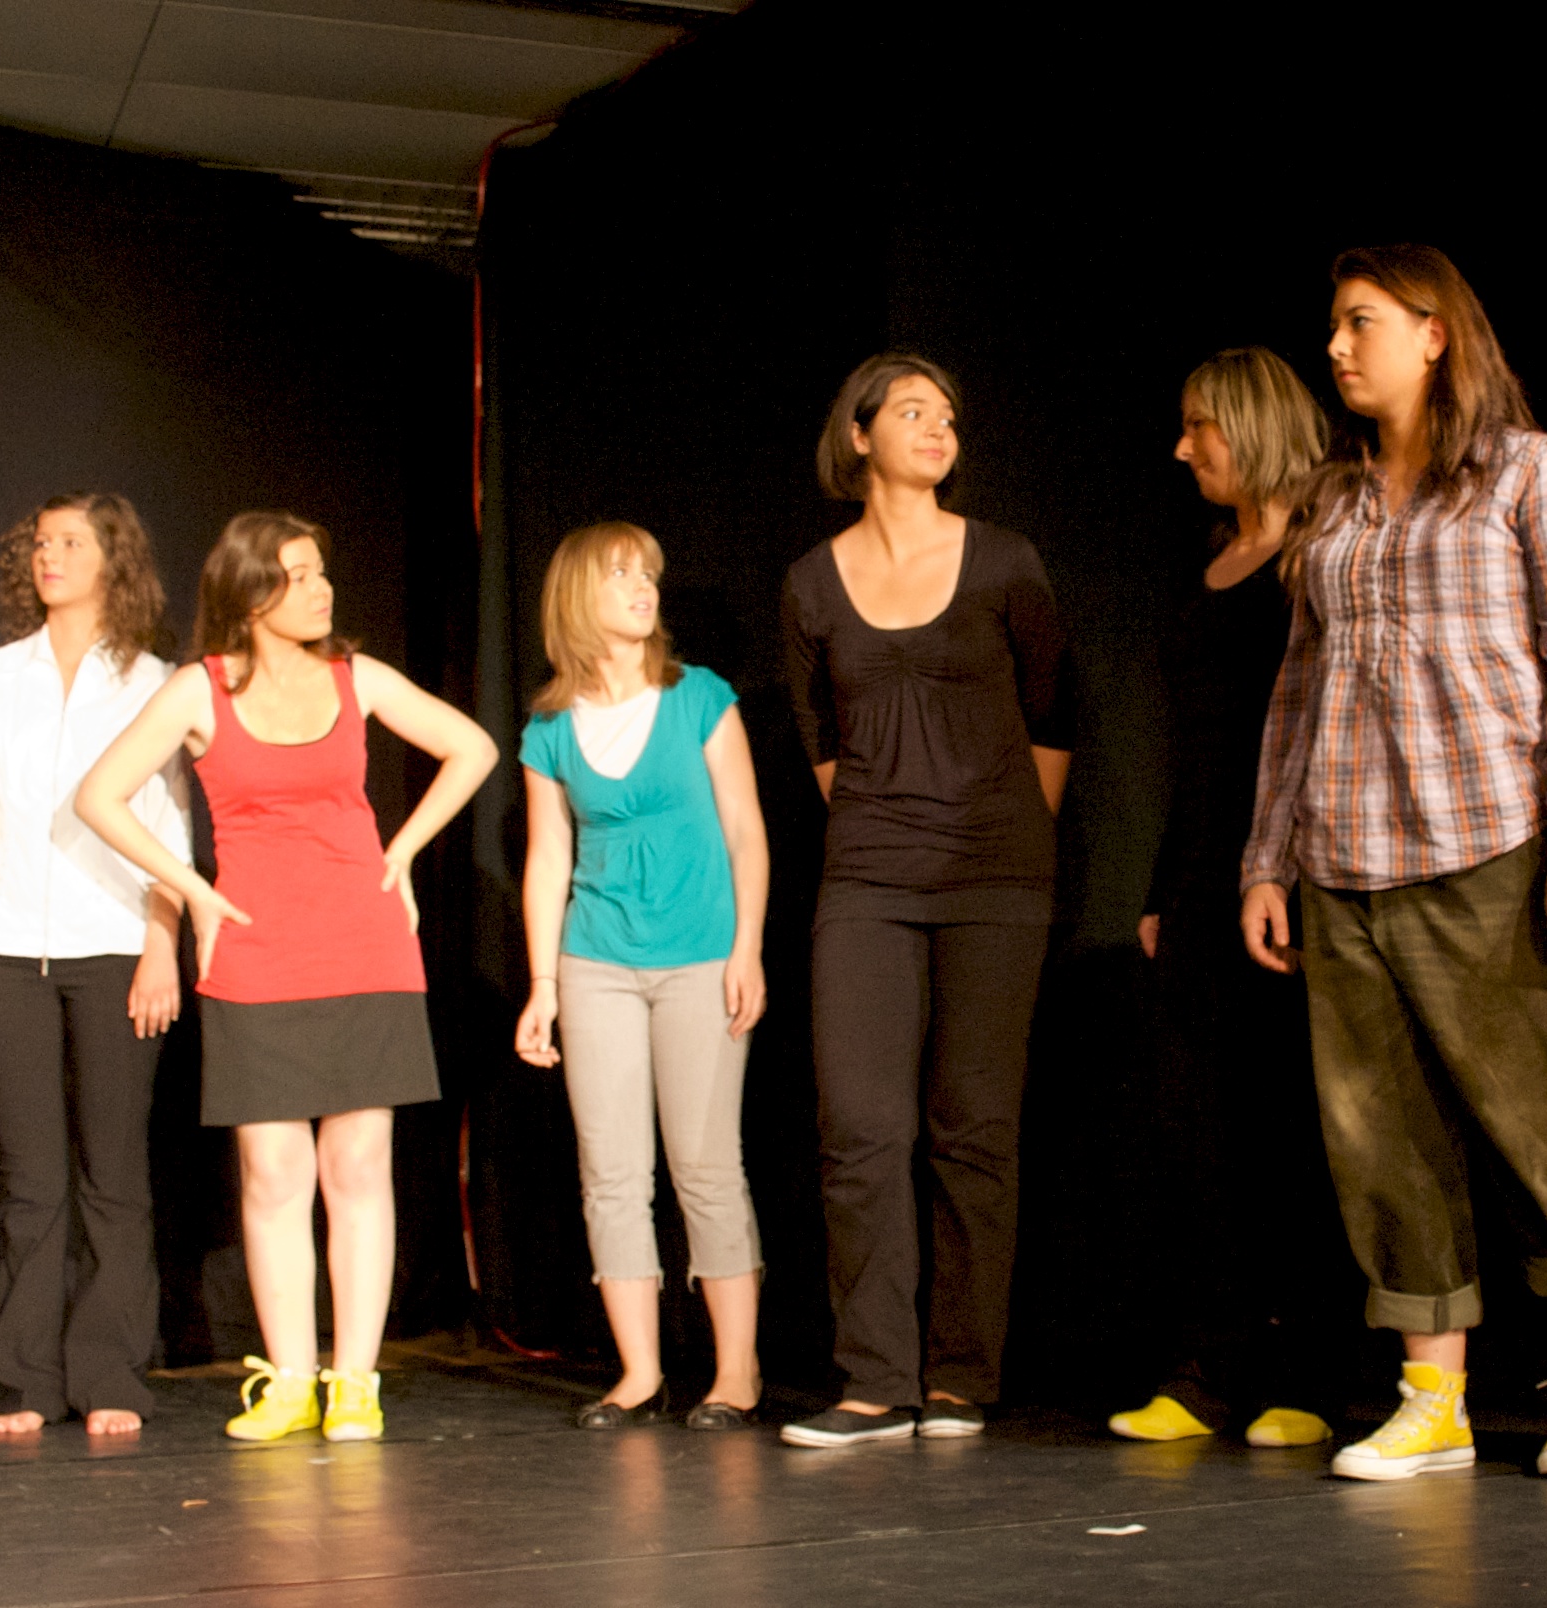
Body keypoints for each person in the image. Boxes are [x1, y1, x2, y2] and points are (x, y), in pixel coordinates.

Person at [1241, 245, 1547, 1482]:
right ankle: (1434, 1400)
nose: (1336, 348)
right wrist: (1266, 857)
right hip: (1342, 851)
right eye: (1333, 325)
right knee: (1382, 1141)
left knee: (1539, 1124)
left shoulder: (1528, 472)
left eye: (1359, 322)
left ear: (1433, 332)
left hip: (1487, 843)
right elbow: (1297, 689)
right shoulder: (1333, 498)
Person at [76, 511, 495, 1444]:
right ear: (250, 591)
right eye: (299, 575)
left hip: (365, 945)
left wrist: (402, 852)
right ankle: (293, 1380)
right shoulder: (201, 689)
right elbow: (98, 794)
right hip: (257, 951)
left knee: (359, 1167)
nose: (322, 588)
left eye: (320, 571)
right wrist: (194, 890)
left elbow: (473, 747)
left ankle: (356, 1382)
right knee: (273, 1174)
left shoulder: (358, 677)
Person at [778, 353, 1074, 1448]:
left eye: (947, 414)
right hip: (868, 873)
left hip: (996, 873)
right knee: (861, 1125)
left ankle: (958, 1376)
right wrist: (890, 817)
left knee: (973, 1127)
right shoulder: (812, 582)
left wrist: (1005, 829)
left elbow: (1053, 711)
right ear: (859, 435)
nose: (937, 427)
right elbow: (819, 735)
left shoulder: (1004, 559)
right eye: (912, 411)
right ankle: (873, 1379)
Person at [1105, 348, 1350, 1452]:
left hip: (1297, 873)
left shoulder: (1320, 552)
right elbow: (1194, 754)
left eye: (1198, 426)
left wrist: (1284, 868)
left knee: (1289, 1125)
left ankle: (1306, 1373)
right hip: (1204, 872)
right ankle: (1208, 1366)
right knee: (1194, 1129)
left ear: (1249, 424)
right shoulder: (1214, 555)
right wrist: (1163, 887)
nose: (1181, 448)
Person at [0, 492, 187, 1439]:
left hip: (117, 942)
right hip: (5, 944)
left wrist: (163, 943)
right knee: (30, 1175)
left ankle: (110, 1370)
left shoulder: (158, 682)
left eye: (71, 541)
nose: (50, 555)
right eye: (41, 542)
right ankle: (26, 1379)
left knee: (114, 1170)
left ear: (114, 559)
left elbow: (170, 828)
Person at [513, 522, 772, 1431]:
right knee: (613, 1173)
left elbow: (746, 831)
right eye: (620, 572)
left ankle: (735, 1374)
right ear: (576, 596)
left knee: (706, 1166)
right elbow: (547, 858)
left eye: (648, 572)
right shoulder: (551, 726)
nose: (643, 587)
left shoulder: (698, 698)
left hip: (701, 955)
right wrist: (543, 984)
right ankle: (639, 1375)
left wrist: (748, 947)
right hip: (596, 961)